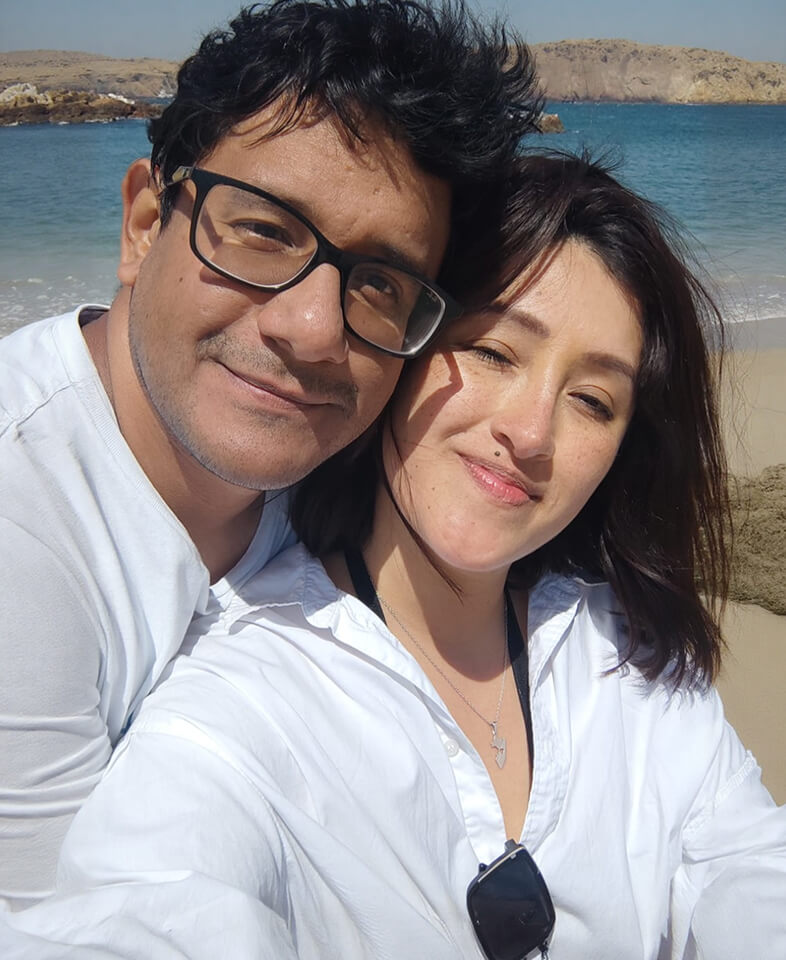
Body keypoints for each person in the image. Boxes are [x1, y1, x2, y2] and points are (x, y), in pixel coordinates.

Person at [4, 152, 784, 958]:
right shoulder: (240, 696)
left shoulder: (631, 668)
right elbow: (155, 906)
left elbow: (748, 869)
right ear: (394, 351)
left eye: (592, 400)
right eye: (493, 353)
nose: (531, 433)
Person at [0, 0, 542, 908]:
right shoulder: (25, 529)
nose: (313, 329)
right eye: (263, 231)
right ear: (145, 225)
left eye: (380, 282)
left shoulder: (360, 474)